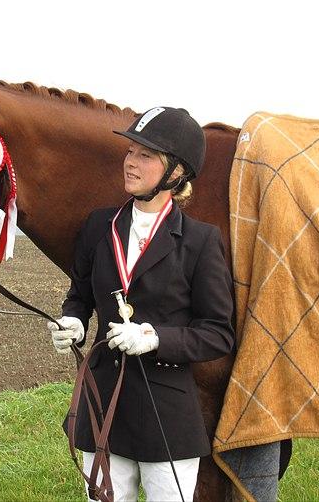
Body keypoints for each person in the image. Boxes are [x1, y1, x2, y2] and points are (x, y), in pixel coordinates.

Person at [47, 107, 235, 502]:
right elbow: (80, 294)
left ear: (175, 173)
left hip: (166, 413)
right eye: (131, 150)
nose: (130, 161)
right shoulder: (99, 227)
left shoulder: (201, 241)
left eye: (145, 155)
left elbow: (217, 333)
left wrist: (156, 339)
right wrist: (74, 320)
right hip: (103, 407)